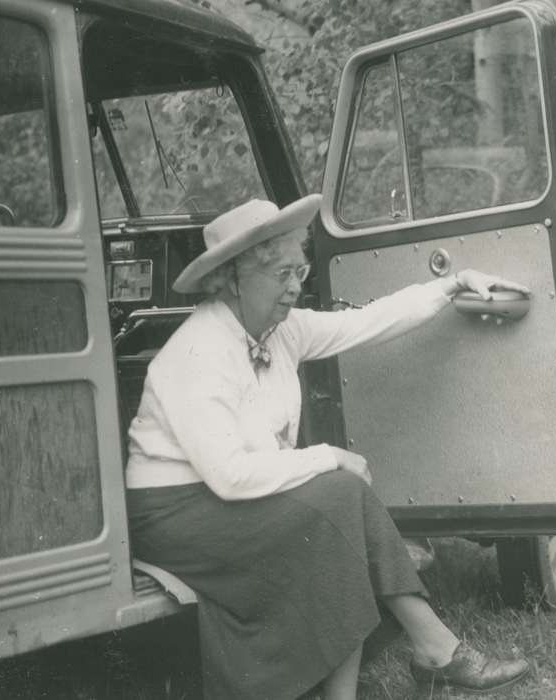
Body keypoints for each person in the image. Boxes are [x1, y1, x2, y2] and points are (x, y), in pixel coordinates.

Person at [124, 195, 532, 700]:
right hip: (176, 514)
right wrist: (330, 456)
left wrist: (452, 283)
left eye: (300, 270)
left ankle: (425, 654)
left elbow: (366, 324)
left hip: (230, 495)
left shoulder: (281, 330)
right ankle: (434, 650)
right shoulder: (197, 350)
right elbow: (228, 476)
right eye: (281, 275)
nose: (295, 286)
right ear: (231, 280)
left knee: (337, 511)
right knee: (338, 495)